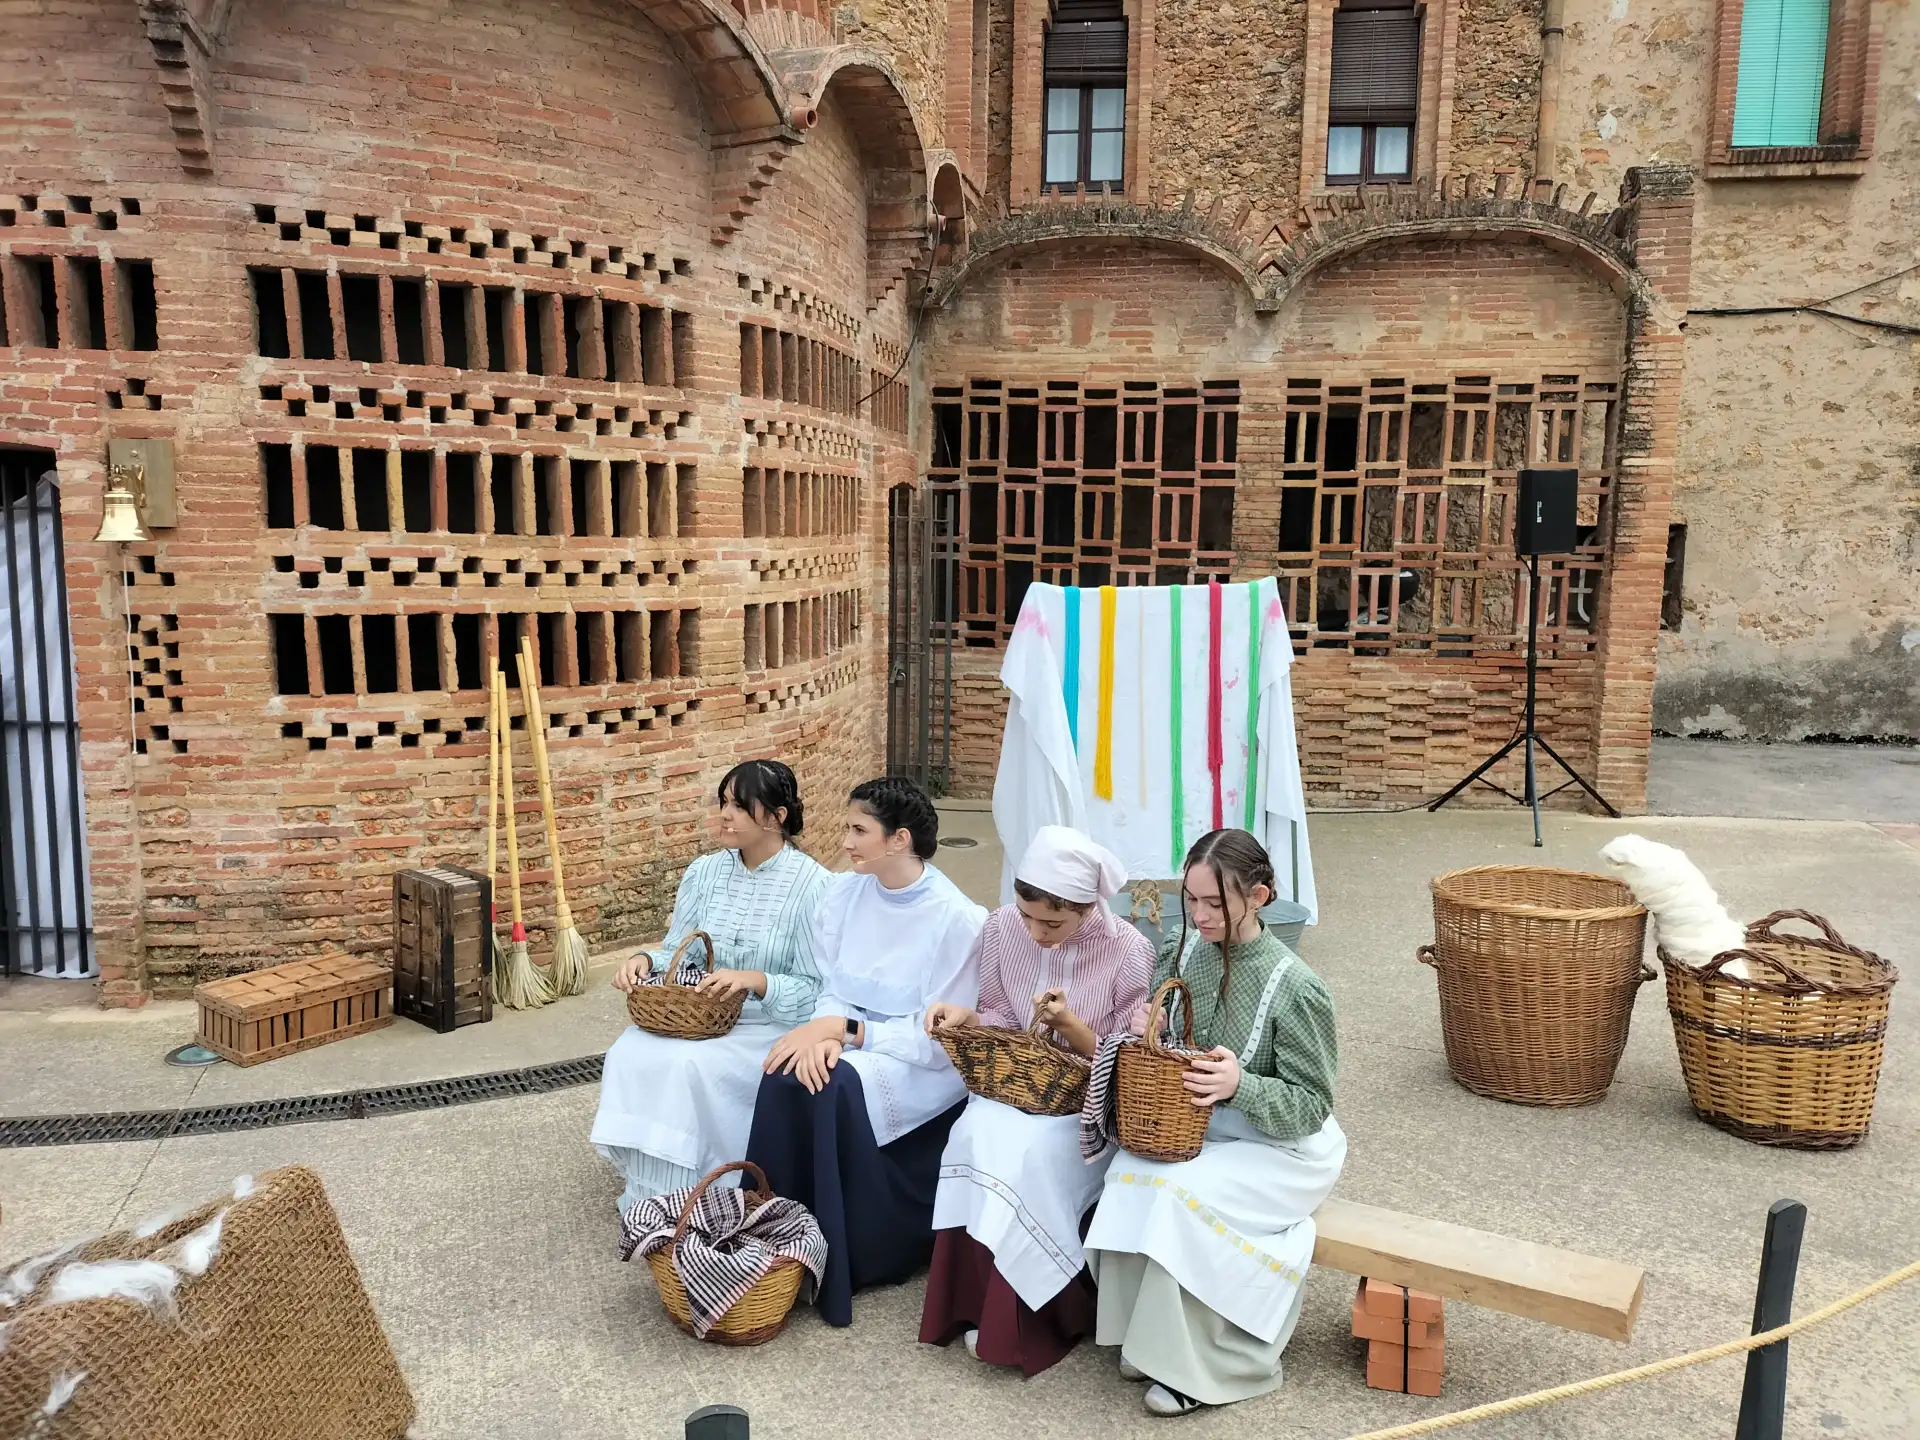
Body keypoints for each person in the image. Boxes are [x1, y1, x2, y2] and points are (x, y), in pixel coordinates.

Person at [1084, 828, 1344, 1417]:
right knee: (1128, 1171)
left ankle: (1206, 1364)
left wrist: (1240, 1084)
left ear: (1259, 896)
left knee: (1179, 1192)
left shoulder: (1297, 987)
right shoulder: (1184, 946)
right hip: (1204, 1127)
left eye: (1214, 903)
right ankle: (1138, 1337)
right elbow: (1162, 1027)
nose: (1199, 915)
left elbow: (1312, 1105)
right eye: (1191, 899)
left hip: (1286, 1149)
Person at [744, 776, 986, 1327]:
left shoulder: (957, 919)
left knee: (833, 1087)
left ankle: (847, 1260)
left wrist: (846, 1033)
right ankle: (769, 1241)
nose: (845, 840)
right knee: (782, 1071)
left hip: (915, 1059)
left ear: (899, 839)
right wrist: (820, 1033)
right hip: (844, 1033)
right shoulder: (844, 892)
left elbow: (941, 1035)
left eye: (859, 830)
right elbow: (832, 982)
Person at [919, 825, 1154, 1376]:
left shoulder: (1130, 950)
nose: (1037, 932)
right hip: (1014, 1084)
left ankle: (1029, 1322)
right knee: (972, 1133)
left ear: (1088, 908)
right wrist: (969, 1018)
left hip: (1083, 1103)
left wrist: (1069, 1024)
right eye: (1028, 916)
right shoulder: (1002, 928)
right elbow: (999, 1011)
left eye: (1053, 922)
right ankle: (970, 1304)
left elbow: (1125, 1061)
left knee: (1030, 1154)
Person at [590, 760, 830, 1213]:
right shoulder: (703, 872)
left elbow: (815, 989)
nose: (725, 815)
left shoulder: (815, 886)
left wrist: (755, 981)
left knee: (687, 1066)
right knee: (629, 1051)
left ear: (777, 817)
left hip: (766, 1022)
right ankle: (653, 1197)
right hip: (702, 1015)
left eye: (740, 807)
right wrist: (642, 960)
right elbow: (679, 952)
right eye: (723, 803)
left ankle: (698, 1198)